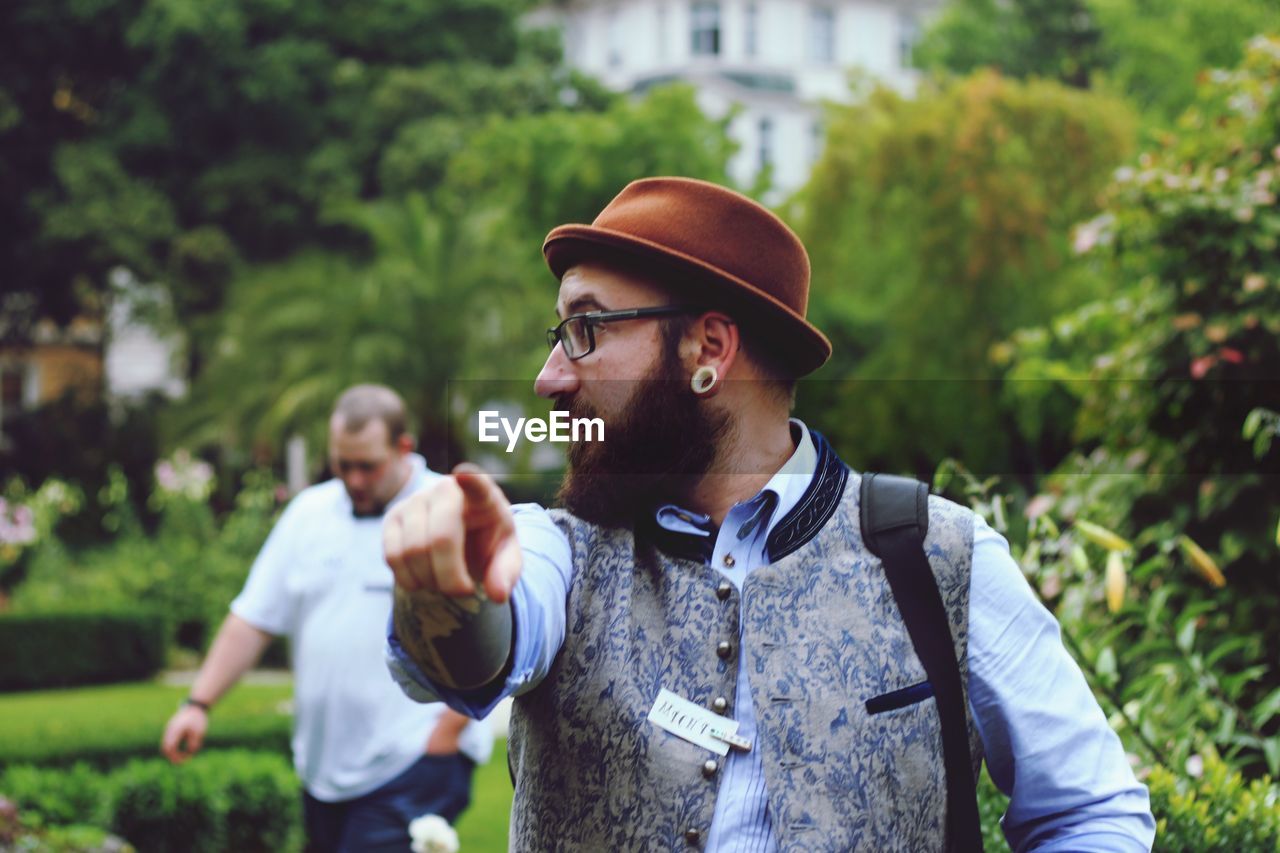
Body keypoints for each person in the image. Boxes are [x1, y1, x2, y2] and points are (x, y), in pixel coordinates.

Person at [381, 178, 1156, 851]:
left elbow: (1091, 812)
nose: (550, 378)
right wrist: (445, 592)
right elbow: (476, 648)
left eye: (586, 328)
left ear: (708, 347)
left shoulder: (940, 555)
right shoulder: (561, 552)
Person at [161, 384, 490, 853]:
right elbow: (253, 617)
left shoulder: (447, 506)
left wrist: (445, 733)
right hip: (322, 769)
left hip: (411, 760)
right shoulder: (308, 513)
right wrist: (198, 703)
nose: (354, 479)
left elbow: (492, 631)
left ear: (403, 448)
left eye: (367, 466)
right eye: (343, 465)